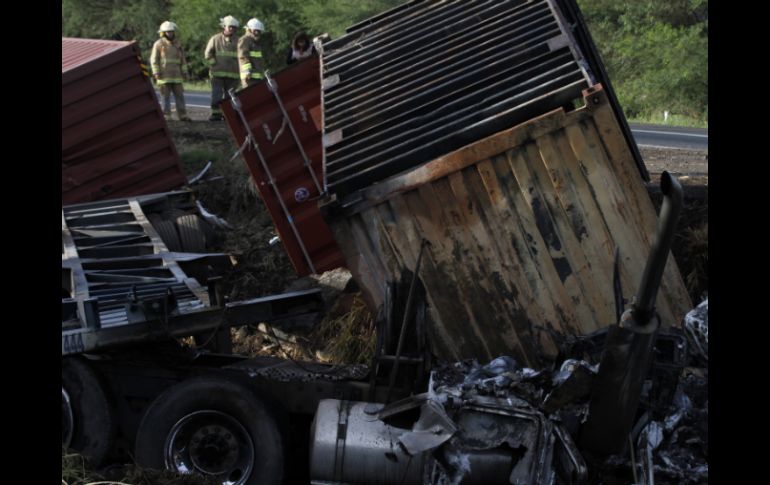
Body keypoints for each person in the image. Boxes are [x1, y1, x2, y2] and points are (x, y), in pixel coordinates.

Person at [150, 21, 191, 121]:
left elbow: (182, 60)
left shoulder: (178, 44)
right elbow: (154, 59)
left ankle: (182, 115)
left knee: (180, 96)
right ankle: (167, 115)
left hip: (177, 76)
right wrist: (156, 72)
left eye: (171, 31)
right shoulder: (159, 44)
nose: (170, 33)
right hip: (163, 76)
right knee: (165, 97)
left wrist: (185, 72)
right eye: (168, 32)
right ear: (163, 33)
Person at [204, 15, 240, 121]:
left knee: (229, 97)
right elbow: (208, 53)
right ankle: (216, 114)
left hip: (233, 75)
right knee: (217, 95)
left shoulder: (239, 40)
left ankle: (227, 115)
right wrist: (214, 64)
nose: (232, 29)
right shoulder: (215, 39)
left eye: (234, 27)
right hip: (217, 74)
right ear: (224, 26)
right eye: (230, 27)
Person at [237, 18, 265, 89]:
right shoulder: (245, 40)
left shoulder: (255, 42)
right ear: (249, 30)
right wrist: (247, 71)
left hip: (257, 77)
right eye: (255, 31)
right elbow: (243, 56)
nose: (257, 33)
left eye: (259, 31)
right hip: (249, 77)